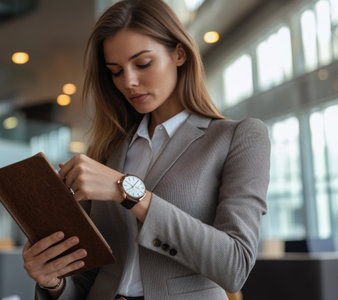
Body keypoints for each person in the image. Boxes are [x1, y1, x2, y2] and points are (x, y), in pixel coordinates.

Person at [22, 0, 270, 299]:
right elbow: (87, 277)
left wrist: (127, 191)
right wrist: (53, 282)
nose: (129, 82)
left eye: (143, 64)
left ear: (179, 53)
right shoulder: (107, 150)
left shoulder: (237, 137)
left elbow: (235, 266)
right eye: (115, 71)